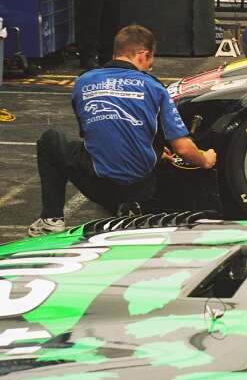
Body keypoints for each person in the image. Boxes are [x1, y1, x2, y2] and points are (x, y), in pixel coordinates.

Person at [28, 25, 217, 237]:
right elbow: (183, 149)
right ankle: (130, 205)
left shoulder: (83, 82)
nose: (150, 68)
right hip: (141, 189)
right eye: (150, 62)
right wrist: (205, 159)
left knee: (51, 139)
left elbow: (94, 132)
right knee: (167, 149)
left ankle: (51, 218)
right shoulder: (154, 87)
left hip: (97, 185)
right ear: (143, 55)